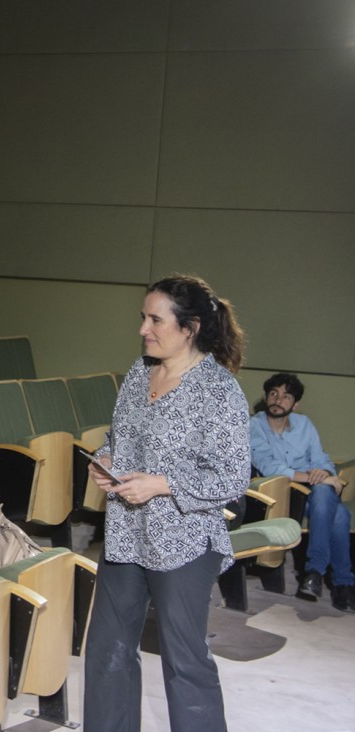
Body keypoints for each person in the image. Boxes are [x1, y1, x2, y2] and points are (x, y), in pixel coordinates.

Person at [84, 275, 250, 732]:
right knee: (107, 653)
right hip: (125, 536)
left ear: (190, 327)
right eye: (144, 317)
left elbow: (233, 477)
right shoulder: (139, 372)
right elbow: (117, 438)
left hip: (185, 543)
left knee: (184, 660)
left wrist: (161, 484)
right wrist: (104, 461)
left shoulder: (219, 391)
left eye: (155, 319)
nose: (143, 328)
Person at [249, 373, 353, 612]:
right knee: (338, 515)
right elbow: (267, 465)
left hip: (310, 494)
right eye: (274, 394)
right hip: (276, 496)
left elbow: (321, 459)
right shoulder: (254, 425)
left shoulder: (304, 424)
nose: (278, 400)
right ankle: (341, 584)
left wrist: (326, 472)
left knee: (326, 496)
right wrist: (315, 477)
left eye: (286, 396)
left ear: (295, 404)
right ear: (266, 398)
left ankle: (315, 573)